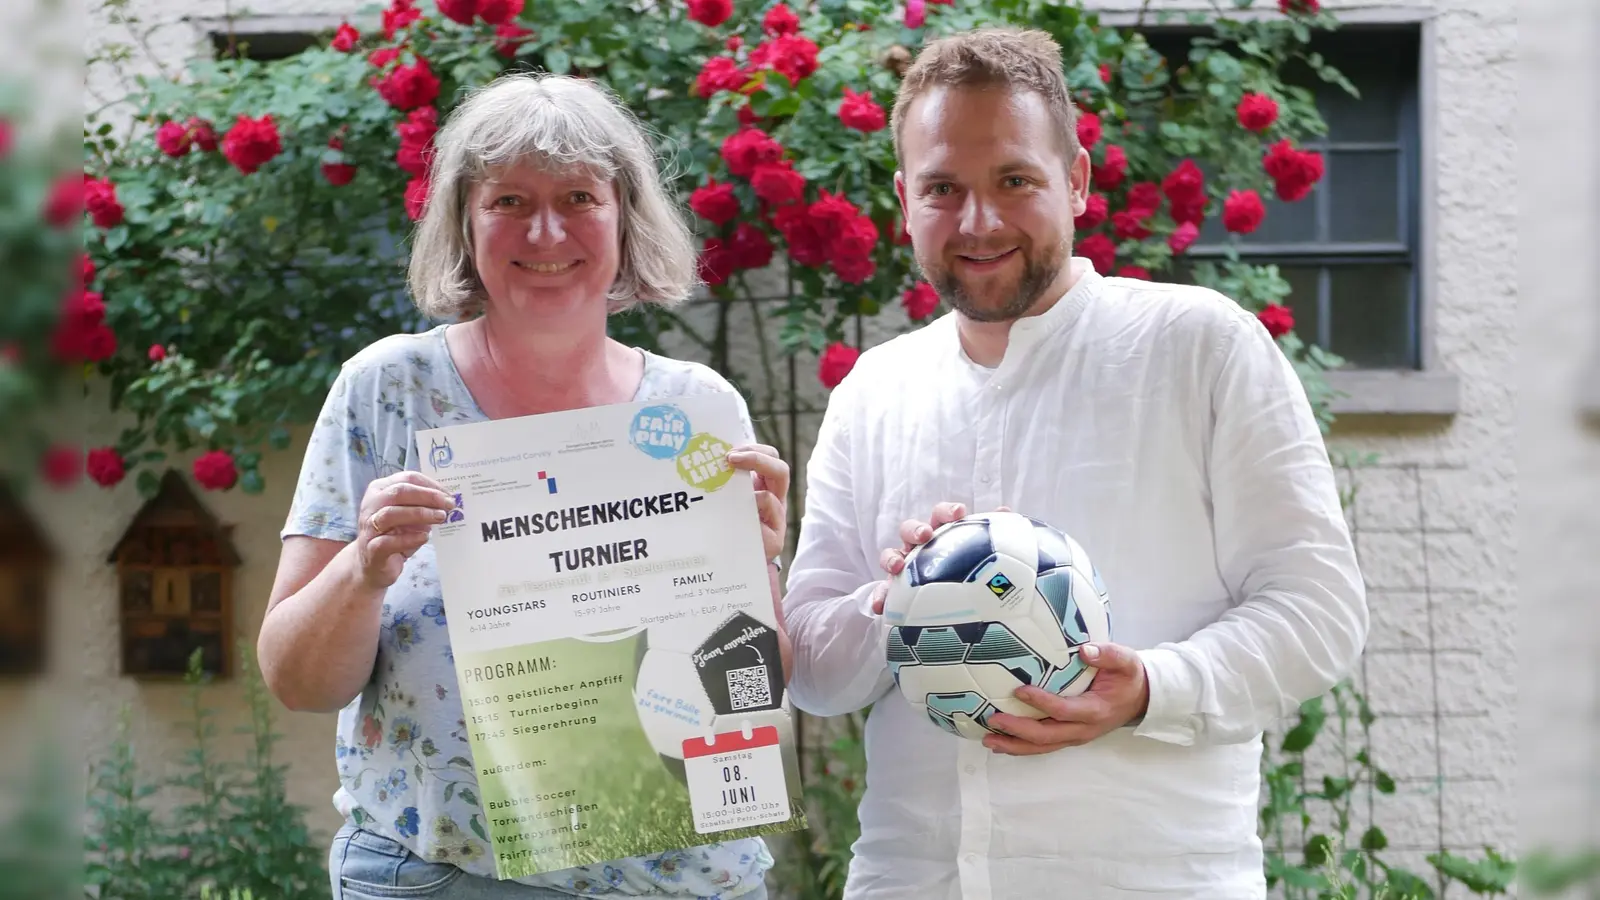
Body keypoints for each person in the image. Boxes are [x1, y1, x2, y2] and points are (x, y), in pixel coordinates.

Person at [781, 27, 1368, 900]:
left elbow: (1320, 610)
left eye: (1014, 180)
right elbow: (816, 675)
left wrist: (1151, 690)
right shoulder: (875, 390)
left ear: (1078, 181)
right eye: (944, 188)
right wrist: (903, 598)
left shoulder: (1200, 347)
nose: (978, 221)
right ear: (905, 199)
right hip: (911, 879)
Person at [260, 72, 790, 900]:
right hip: (447, 875)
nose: (547, 230)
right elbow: (296, 682)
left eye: (580, 196)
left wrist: (755, 572)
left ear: (624, 218)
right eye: (509, 201)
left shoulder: (696, 409)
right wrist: (363, 567)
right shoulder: (389, 391)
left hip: (684, 876)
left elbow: (752, 689)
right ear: (466, 224)